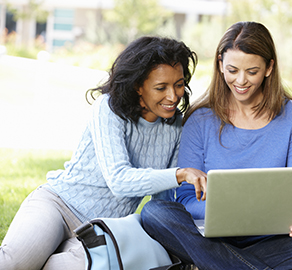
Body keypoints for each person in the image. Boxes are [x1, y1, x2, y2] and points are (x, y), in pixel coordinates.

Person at [0, 36, 207, 270]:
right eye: (161, 87)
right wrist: (179, 174)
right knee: (13, 263)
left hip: (102, 228)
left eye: (178, 84)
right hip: (58, 205)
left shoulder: (176, 126)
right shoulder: (109, 109)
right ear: (138, 86)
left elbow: (161, 200)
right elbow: (119, 180)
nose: (173, 96)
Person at [141, 22, 292, 270]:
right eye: (233, 70)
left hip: (274, 238)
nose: (241, 81)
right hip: (212, 234)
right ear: (219, 64)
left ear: (269, 67)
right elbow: (184, 197)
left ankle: (214, 264)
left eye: (252, 71)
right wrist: (226, 210)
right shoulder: (200, 118)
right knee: (155, 213)